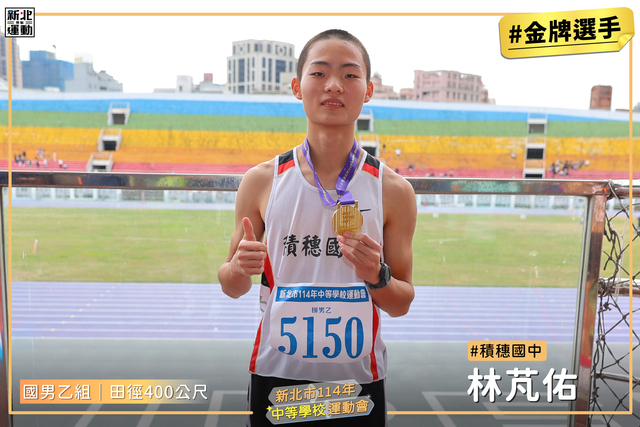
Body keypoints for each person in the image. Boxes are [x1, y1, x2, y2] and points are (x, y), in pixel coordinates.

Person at [218, 29, 416, 426]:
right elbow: (231, 285)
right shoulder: (262, 180)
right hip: (277, 374)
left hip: (357, 382)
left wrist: (376, 275)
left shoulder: (393, 190)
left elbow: (400, 303)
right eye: (320, 73)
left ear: (368, 90)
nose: (334, 85)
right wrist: (239, 267)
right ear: (297, 87)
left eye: (349, 75)